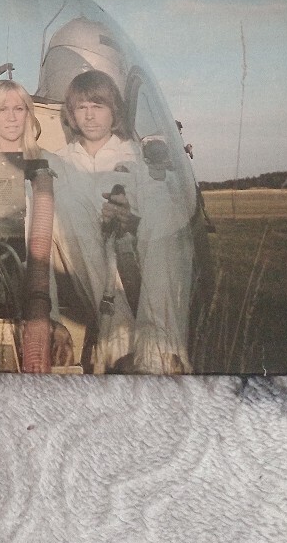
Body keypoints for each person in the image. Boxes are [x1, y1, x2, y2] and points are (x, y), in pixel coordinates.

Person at [56, 69, 192, 373]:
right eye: (81, 108)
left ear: (113, 110)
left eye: (98, 106)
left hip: (134, 259)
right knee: (72, 209)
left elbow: (159, 215)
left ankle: (158, 343)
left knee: (161, 209)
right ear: (72, 114)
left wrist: (129, 218)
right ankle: (118, 333)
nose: (90, 116)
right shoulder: (61, 161)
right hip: (84, 261)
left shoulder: (136, 157)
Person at [0, 79, 72, 372]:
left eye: (19, 109)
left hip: (41, 279)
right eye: (2, 109)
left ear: (28, 115)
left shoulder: (50, 163)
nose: (11, 117)